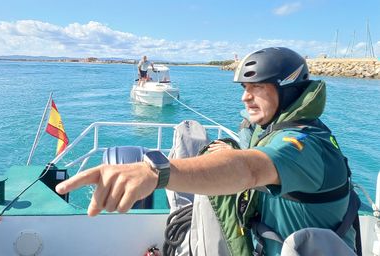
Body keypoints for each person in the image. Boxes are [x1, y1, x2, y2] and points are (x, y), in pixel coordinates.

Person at [56, 47, 356, 255]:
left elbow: (249, 169)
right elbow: (242, 154)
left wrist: (156, 172)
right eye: (243, 88)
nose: (246, 98)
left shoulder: (306, 146)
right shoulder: (265, 128)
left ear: (288, 90)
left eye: (258, 87)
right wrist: (225, 147)